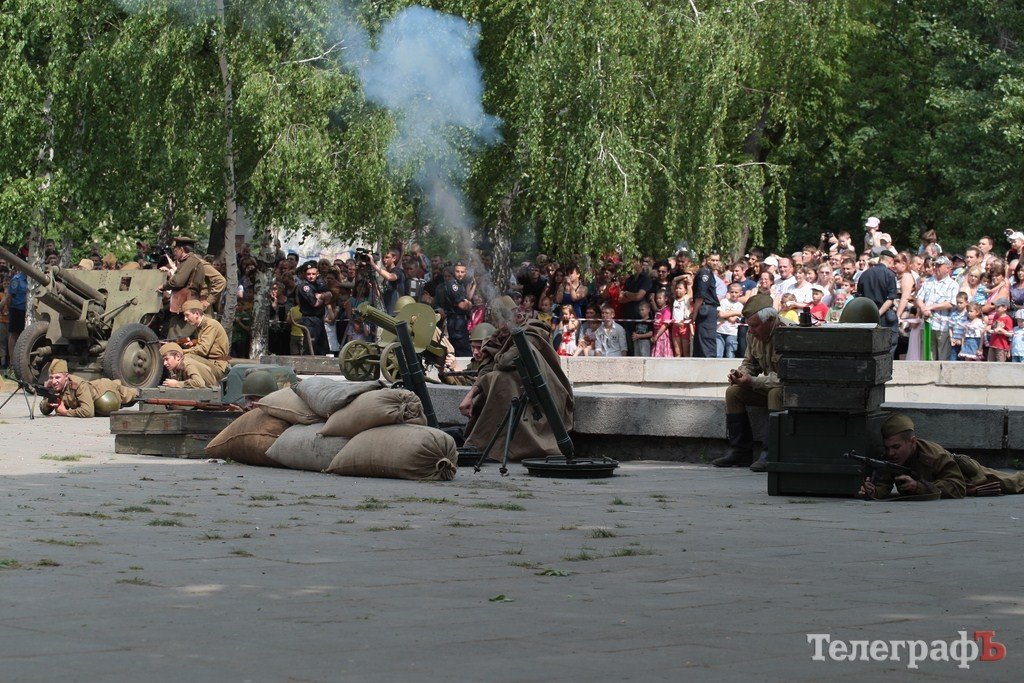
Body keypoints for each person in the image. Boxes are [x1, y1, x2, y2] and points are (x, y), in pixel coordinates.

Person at [458, 297, 573, 462]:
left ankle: (489, 445)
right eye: (499, 322)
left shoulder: (532, 330)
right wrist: (469, 396)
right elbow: (486, 371)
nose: (503, 326)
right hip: (514, 396)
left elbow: (506, 361)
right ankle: (485, 444)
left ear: (517, 316)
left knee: (500, 379)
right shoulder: (497, 339)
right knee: (496, 379)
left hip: (541, 400)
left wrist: (498, 359)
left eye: (506, 320)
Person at [859, 414, 1024, 500]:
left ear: (912, 442)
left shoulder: (934, 455)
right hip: (942, 482)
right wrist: (873, 492)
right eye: (887, 448)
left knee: (1013, 482)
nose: (891, 453)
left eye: (896, 447)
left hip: (968, 476)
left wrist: (919, 487)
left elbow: (957, 486)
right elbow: (884, 485)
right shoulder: (892, 459)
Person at [714, 294, 792, 472]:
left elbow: (787, 378)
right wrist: (740, 375)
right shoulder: (753, 334)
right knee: (733, 392)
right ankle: (739, 451)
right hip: (767, 384)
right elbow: (750, 363)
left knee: (776, 393)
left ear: (771, 320)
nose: (751, 331)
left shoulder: (789, 332)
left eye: (755, 326)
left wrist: (753, 381)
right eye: (749, 326)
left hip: (790, 390)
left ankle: (771, 453)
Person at [161, 236, 226, 332]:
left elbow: (220, 281)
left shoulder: (199, 263)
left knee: (202, 338)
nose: (175, 254)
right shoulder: (184, 264)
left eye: (176, 250)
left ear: (182, 249)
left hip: (200, 309)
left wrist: (208, 301)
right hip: (185, 309)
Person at [40, 359, 139, 417]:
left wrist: (65, 412)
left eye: (57, 377)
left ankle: (140, 392)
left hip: (103, 389)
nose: (54, 381)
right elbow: (44, 410)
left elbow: (88, 412)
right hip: (91, 393)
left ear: (66, 377)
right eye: (51, 377)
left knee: (122, 399)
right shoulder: (52, 385)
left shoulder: (78, 384)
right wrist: (48, 403)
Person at [914, 255, 958, 361]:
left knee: (943, 356)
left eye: (939, 265)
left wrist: (931, 307)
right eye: (935, 265)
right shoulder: (928, 281)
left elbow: (951, 303)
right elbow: (919, 298)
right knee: (927, 355)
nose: (936, 267)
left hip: (943, 325)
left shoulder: (953, 284)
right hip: (927, 323)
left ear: (948, 268)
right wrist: (924, 308)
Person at [855, 249, 900, 351]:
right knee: (888, 345)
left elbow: (859, 297)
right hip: (883, 315)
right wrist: (877, 314)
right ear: (890, 261)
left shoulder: (865, 274)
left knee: (869, 346)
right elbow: (890, 299)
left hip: (867, 315)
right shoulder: (890, 274)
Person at [180, 300, 230, 379]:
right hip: (210, 362)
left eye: (187, 315)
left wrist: (180, 351)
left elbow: (203, 349)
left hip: (217, 366)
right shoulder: (201, 326)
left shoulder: (210, 324)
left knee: (185, 357)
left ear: (196, 314)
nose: (185, 319)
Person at [296, 261, 330, 356]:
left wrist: (320, 296)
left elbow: (330, 295)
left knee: (323, 347)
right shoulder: (304, 286)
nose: (311, 276)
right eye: (308, 274)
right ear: (304, 274)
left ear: (317, 273)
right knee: (310, 346)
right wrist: (323, 296)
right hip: (309, 319)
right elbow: (315, 303)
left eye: (313, 274)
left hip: (319, 319)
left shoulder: (319, 283)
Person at [691, 252, 721, 357]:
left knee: (705, 341)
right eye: (712, 260)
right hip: (705, 309)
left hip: (708, 310)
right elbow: (700, 296)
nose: (715, 263)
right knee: (705, 342)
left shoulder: (708, 272)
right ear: (707, 260)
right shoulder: (705, 273)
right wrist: (694, 315)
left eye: (717, 260)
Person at [443, 261, 473, 357]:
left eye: (462, 272)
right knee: (463, 350)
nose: (460, 274)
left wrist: (467, 302)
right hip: (456, 321)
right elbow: (462, 305)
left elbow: (467, 299)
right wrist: (470, 304)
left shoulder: (461, 284)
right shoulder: (453, 285)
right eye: (457, 271)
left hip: (460, 320)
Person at [369, 248, 405, 315]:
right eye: (383, 257)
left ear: (394, 258)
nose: (384, 260)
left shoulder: (398, 271)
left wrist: (373, 265)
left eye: (387, 257)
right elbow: (381, 295)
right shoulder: (385, 277)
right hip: (386, 312)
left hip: (396, 313)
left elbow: (390, 277)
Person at [715, 283, 743, 358]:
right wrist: (736, 312)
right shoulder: (723, 302)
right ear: (729, 292)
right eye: (732, 292)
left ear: (740, 293)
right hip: (719, 331)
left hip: (732, 333)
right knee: (718, 354)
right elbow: (721, 314)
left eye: (736, 292)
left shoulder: (740, 306)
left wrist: (726, 314)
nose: (734, 294)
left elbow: (732, 320)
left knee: (730, 354)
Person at [651, 290, 674, 358]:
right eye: (657, 298)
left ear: (666, 299)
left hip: (662, 335)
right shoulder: (659, 310)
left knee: (663, 354)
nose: (658, 300)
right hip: (657, 334)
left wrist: (657, 336)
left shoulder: (666, 310)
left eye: (660, 298)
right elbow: (655, 309)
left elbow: (665, 325)